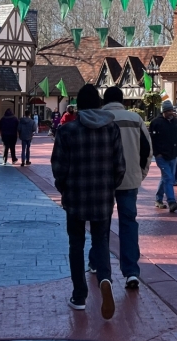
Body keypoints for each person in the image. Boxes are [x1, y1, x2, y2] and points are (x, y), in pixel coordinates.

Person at [51, 85, 125, 319]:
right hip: (102, 197)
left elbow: (58, 168)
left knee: (76, 244)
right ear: (99, 104)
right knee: (101, 240)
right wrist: (110, 187)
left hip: (75, 197)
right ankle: (105, 278)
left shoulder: (67, 131)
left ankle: (79, 295)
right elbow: (120, 167)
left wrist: (64, 188)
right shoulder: (111, 129)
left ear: (79, 106)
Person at [102, 87, 151, 289]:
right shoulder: (135, 119)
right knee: (129, 224)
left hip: (103, 181)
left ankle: (98, 264)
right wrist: (141, 174)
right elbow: (147, 149)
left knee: (101, 225)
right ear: (123, 100)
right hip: (130, 179)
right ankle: (131, 271)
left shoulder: (100, 118)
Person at [149, 100, 177, 212]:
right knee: (169, 178)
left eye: (171, 110)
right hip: (161, 156)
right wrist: (157, 153)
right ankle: (171, 201)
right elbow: (152, 140)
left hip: (173, 155)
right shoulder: (156, 123)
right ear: (163, 111)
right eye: (168, 111)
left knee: (166, 177)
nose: (170, 113)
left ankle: (158, 199)